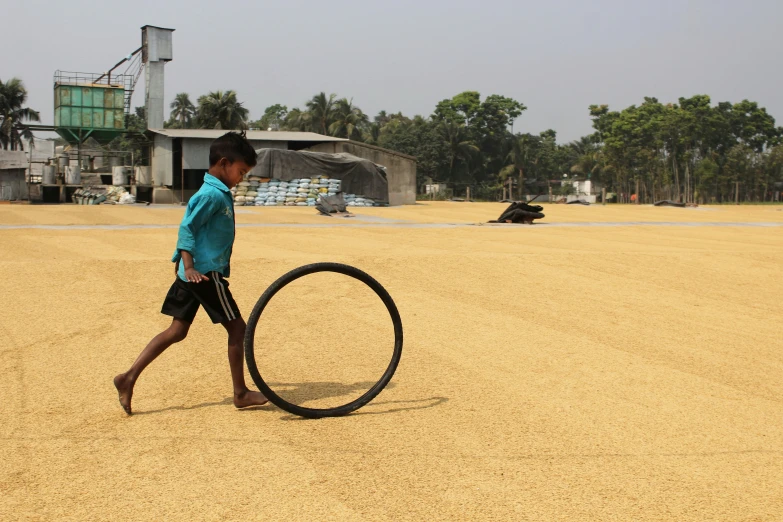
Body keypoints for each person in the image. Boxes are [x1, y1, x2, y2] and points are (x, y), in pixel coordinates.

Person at [113, 132, 267, 415]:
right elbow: (187, 229)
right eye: (241, 171)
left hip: (191, 275)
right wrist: (190, 265)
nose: (242, 178)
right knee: (238, 328)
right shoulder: (211, 195)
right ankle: (241, 393)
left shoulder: (215, 191)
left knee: (177, 330)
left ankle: (128, 377)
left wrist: (186, 267)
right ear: (223, 163)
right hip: (204, 275)